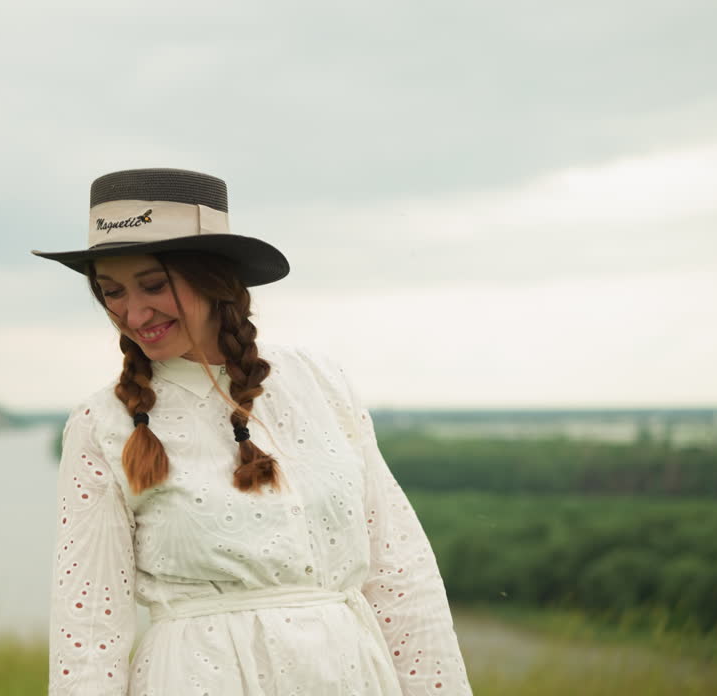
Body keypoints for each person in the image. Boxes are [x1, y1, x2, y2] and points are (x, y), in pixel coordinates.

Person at [31, 168, 473, 695]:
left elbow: (401, 575)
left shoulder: (320, 383)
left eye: (153, 285)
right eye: (112, 292)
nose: (134, 312)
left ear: (213, 277)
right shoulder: (102, 423)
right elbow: (88, 629)